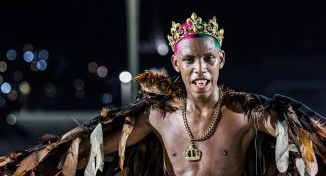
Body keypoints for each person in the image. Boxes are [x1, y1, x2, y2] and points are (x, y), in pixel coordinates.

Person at [1, 13, 325, 176]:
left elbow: (304, 135)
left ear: (220, 60)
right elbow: (90, 147)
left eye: (208, 59)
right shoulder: (158, 116)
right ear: (176, 64)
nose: (200, 69)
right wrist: (36, 166)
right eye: (190, 60)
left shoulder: (244, 114)